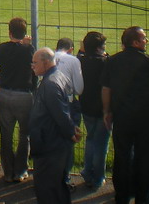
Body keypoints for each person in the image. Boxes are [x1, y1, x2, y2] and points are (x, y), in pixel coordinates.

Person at [102, 26, 149, 204]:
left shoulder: (112, 61)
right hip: (145, 118)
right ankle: (143, 197)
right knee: (145, 158)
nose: (147, 41)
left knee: (122, 157)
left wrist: (107, 111)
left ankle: (122, 196)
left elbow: (106, 88)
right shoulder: (148, 60)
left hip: (122, 117)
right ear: (135, 42)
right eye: (144, 38)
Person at [29, 47, 80, 203]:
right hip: (53, 142)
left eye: (35, 62)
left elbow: (60, 114)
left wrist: (71, 131)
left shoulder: (50, 84)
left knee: (46, 188)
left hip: (49, 144)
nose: (32, 66)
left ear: (45, 62)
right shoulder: (57, 76)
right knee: (57, 186)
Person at [0, 17, 35, 183]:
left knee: (6, 135)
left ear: (10, 32)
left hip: (5, 94)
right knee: (25, 135)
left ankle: (8, 172)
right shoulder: (29, 50)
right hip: (24, 96)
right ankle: (21, 171)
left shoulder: (2, 48)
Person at [78, 31, 110, 189]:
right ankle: (97, 177)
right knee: (101, 144)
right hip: (103, 108)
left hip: (86, 105)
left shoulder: (81, 61)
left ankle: (87, 172)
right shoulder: (105, 62)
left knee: (91, 139)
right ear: (98, 48)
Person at [54, 37, 84, 189]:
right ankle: (64, 178)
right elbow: (79, 88)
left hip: (47, 104)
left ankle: (49, 176)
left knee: (51, 139)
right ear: (71, 49)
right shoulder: (73, 61)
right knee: (69, 139)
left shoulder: (47, 56)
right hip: (68, 103)